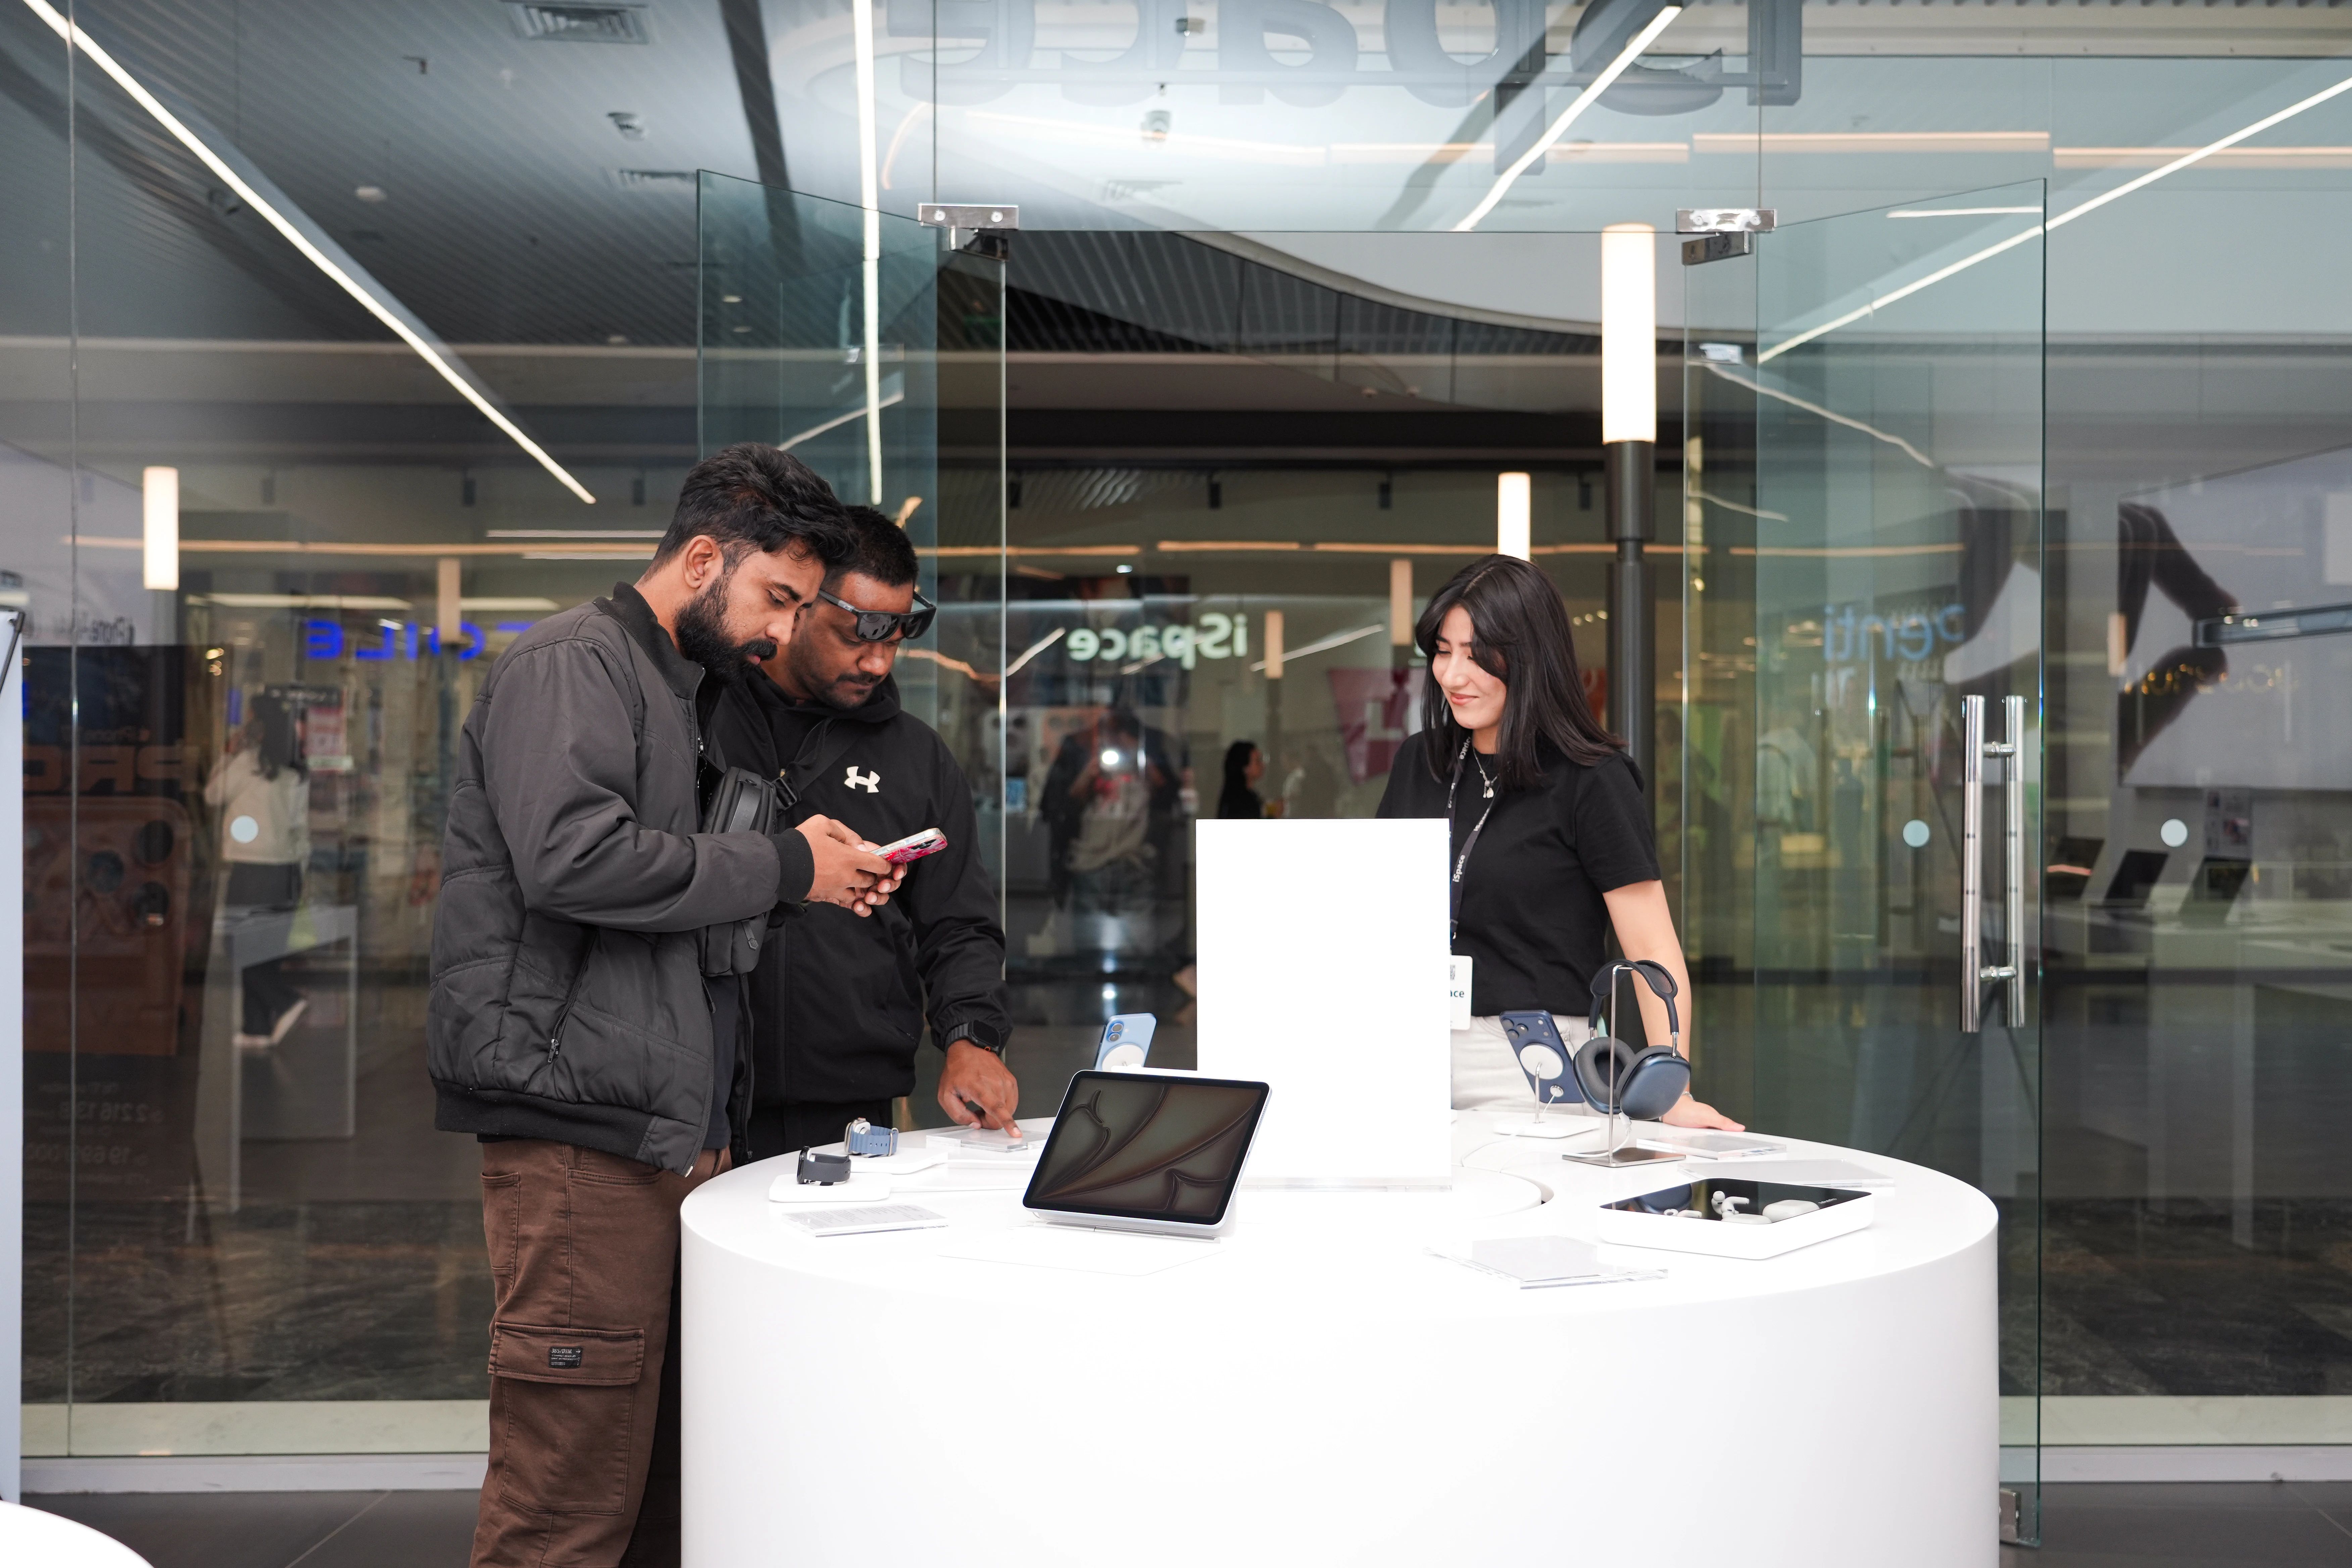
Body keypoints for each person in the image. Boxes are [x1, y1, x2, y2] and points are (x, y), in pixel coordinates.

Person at [428, 443, 900, 1568]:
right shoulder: (572, 664)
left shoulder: (674, 687)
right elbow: (572, 862)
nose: (781, 632)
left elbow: (662, 892)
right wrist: (783, 864)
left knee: (639, 1492)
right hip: (578, 1135)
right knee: (565, 1506)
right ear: (700, 561)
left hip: (650, 1126)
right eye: (775, 598)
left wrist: (798, 872)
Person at [1375, 555, 1741, 1129]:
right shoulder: (1419, 763)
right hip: (1403, 1053)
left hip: (1528, 1065)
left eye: (1476, 653)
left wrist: (1673, 1093)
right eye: (1443, 651)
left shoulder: (1591, 779)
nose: (1452, 675)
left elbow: (1651, 948)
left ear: (1529, 655)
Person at [702, 504, 1018, 1153]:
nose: (877, 664)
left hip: (849, 1102)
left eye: (894, 639)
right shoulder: (697, 722)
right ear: (797, 606)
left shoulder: (916, 756)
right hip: (694, 1096)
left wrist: (971, 1038)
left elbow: (959, 923)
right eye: (855, 637)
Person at [206, 691, 310, 1048]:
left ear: (258, 726)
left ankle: (286, 1001)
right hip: (285, 870)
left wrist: (228, 754)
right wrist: (300, 873)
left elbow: (212, 795)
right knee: (265, 950)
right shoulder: (296, 769)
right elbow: (299, 829)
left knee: (238, 946)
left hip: (251, 870)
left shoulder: (247, 763)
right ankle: (256, 1027)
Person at [1217, 739, 1282, 820]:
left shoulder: (1248, 796)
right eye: (1258, 761)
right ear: (1245, 767)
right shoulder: (1241, 801)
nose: (1263, 765)